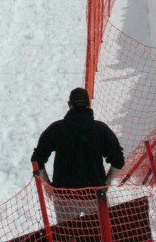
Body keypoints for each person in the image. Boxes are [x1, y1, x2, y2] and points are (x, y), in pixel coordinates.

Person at [31, 87, 124, 222]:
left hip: (64, 196)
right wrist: (106, 182)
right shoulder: (101, 130)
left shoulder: (57, 129)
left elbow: (37, 159)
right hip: (95, 195)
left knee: (69, 236)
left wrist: (47, 184)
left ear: (69, 104)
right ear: (89, 104)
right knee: (99, 236)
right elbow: (119, 160)